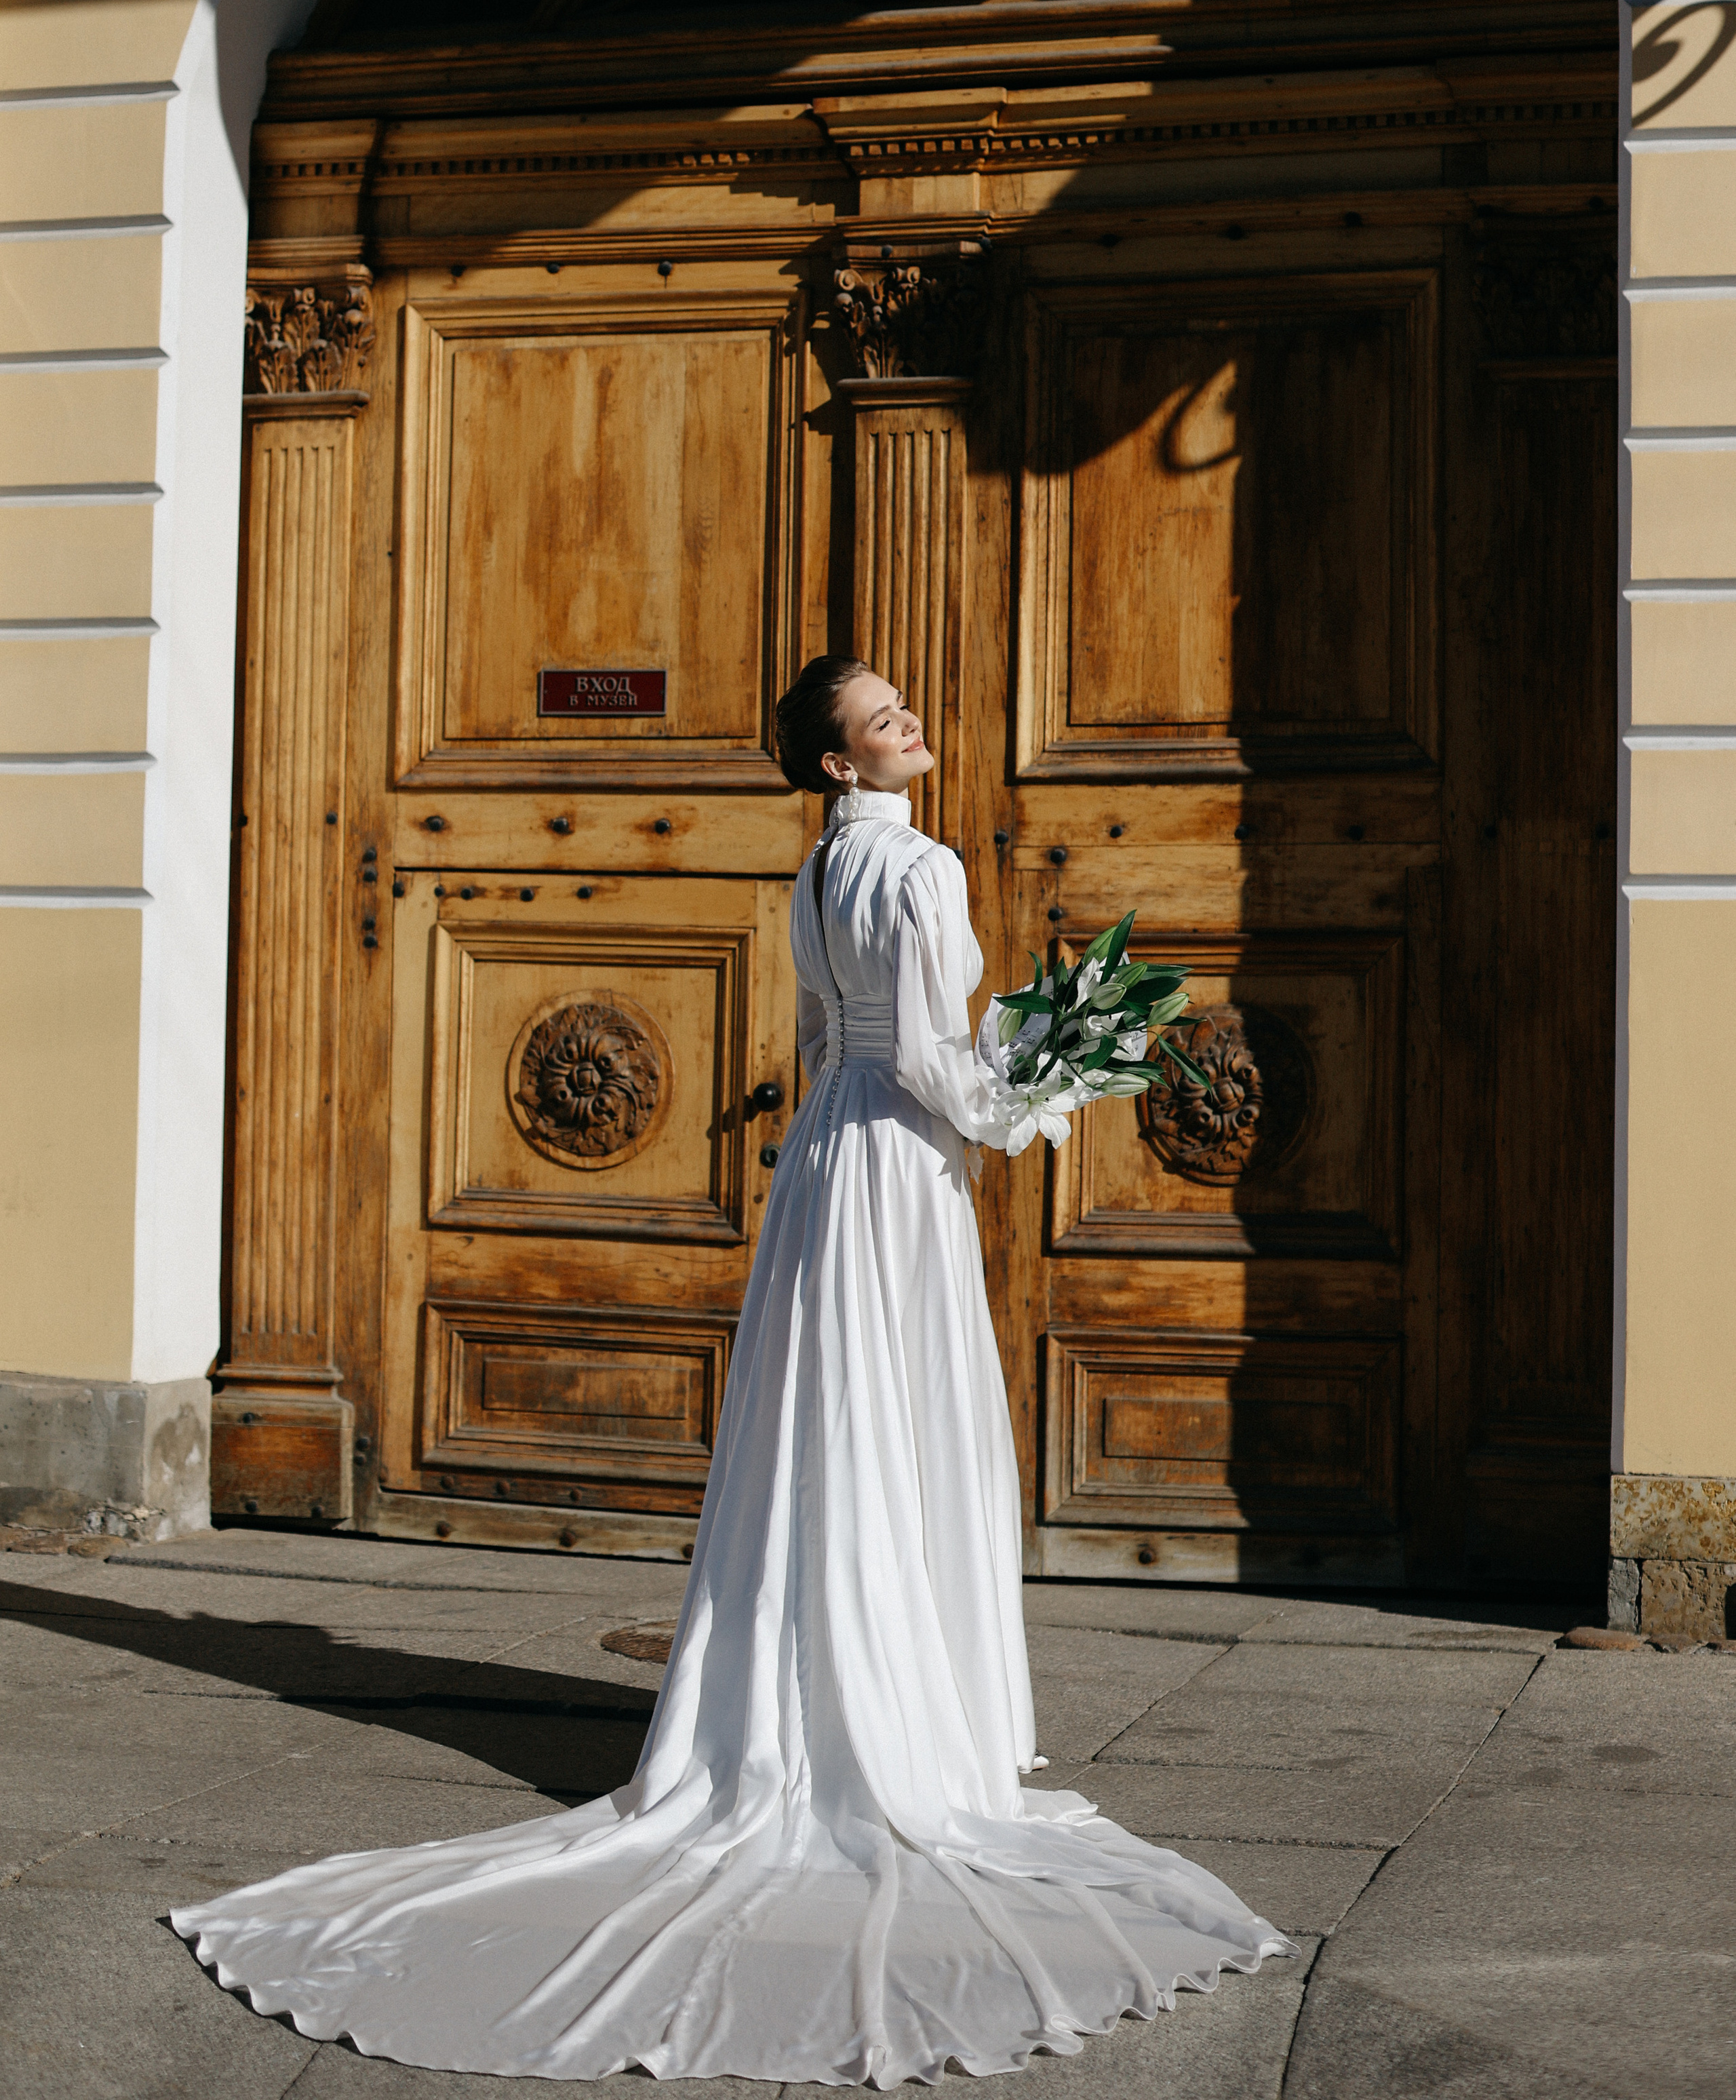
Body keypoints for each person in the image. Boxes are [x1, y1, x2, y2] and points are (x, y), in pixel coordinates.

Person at [172, 657, 1292, 2080]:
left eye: (901, 710)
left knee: (826, 1424)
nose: (909, 727)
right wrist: (1049, 1081)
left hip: (827, 1163)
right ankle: (897, 1734)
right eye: (881, 722)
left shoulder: (817, 877)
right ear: (839, 764)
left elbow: (831, 1043)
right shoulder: (921, 868)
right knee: (889, 1421)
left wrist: (984, 1072)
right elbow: (941, 1067)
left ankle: (812, 1702)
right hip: (894, 1164)